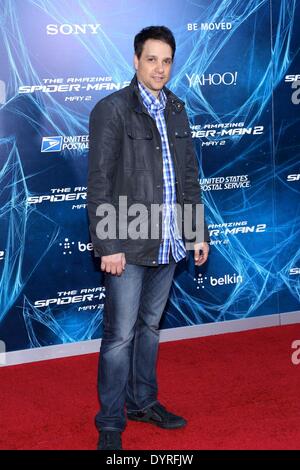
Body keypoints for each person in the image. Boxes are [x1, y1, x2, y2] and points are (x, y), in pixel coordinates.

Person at [87, 25, 209, 450]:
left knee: (150, 328)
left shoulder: (177, 109)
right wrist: (109, 245)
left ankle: (143, 402)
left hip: (170, 240)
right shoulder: (113, 109)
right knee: (120, 334)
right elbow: (100, 182)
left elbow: (188, 178)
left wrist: (197, 232)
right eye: (152, 59)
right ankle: (109, 421)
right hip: (128, 240)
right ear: (136, 61)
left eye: (167, 60)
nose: (160, 68)